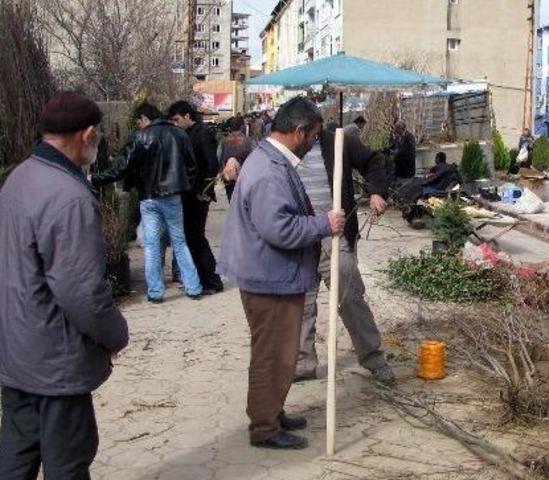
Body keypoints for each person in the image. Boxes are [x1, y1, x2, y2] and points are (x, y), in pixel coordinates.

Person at [0, 92, 129, 479]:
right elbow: (82, 291)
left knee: (17, 452)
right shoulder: (68, 196)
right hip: (53, 357)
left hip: (15, 345)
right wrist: (115, 335)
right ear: (88, 134)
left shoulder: (22, 176)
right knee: (68, 458)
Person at [216, 97, 345, 450]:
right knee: (273, 356)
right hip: (269, 278)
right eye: (314, 136)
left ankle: (271, 411)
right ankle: (264, 428)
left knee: (279, 354)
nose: (315, 144)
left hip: (271, 274)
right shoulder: (269, 171)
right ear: (299, 131)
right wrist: (324, 223)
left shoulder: (269, 160)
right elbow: (280, 229)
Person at [294, 122, 394, 384]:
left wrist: (376, 192)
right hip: (298, 236)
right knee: (300, 302)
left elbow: (373, 161)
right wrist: (231, 159)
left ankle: (373, 357)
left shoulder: (337, 141)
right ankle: (302, 363)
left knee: (350, 297)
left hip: (334, 235)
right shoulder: (283, 145)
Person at [91, 103, 204, 303]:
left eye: (138, 122)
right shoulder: (180, 135)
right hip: (173, 196)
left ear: (144, 118)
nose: (138, 125)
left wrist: (96, 179)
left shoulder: (140, 137)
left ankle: (155, 292)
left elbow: (122, 167)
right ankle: (193, 287)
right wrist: (185, 190)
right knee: (179, 242)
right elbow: (191, 167)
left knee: (151, 245)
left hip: (149, 196)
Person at [168, 101, 224, 294]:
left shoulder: (202, 134)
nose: (175, 124)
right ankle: (203, 278)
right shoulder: (188, 134)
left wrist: (205, 191)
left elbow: (211, 165)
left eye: (177, 119)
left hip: (199, 194)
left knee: (196, 237)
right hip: (190, 193)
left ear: (187, 116)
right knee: (192, 238)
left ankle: (211, 280)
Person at [219, 116, 258, 201]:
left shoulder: (223, 141)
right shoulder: (250, 141)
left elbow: (219, 157)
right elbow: (256, 159)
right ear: (242, 126)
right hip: (246, 177)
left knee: (232, 199)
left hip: (228, 178)